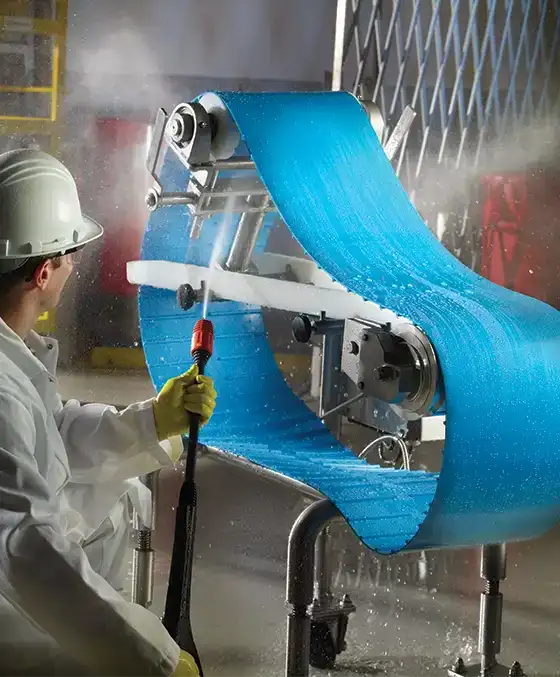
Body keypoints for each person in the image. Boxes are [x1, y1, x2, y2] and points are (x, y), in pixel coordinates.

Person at [0, 149, 216, 676]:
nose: (75, 267)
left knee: (123, 500)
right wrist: (155, 661)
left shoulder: (13, 356)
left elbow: (49, 433)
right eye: (70, 254)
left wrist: (152, 421)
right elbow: (26, 548)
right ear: (44, 271)